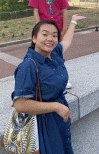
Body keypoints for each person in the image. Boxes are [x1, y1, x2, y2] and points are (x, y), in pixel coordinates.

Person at [12, 14, 86, 154]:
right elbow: (20, 104)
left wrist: (73, 22)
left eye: (54, 35)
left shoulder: (53, 54)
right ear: (34, 38)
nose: (50, 39)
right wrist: (56, 106)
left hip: (59, 121)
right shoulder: (28, 65)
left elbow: (67, 41)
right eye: (45, 34)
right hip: (42, 126)